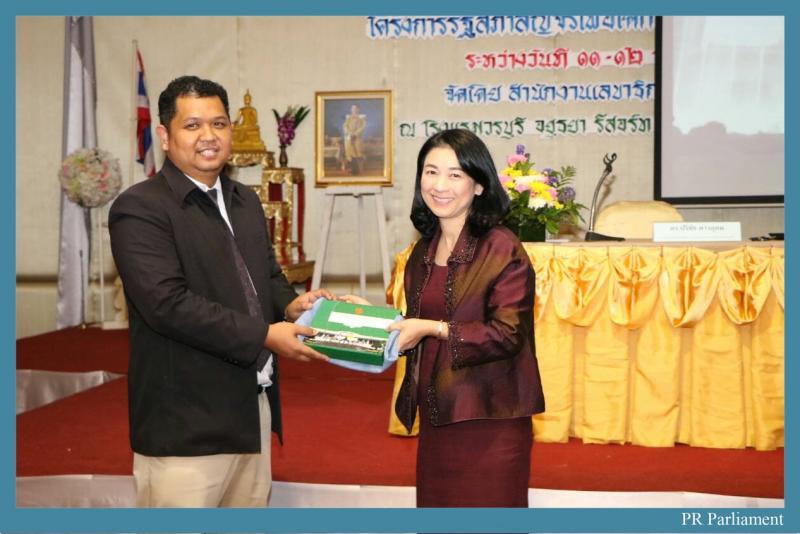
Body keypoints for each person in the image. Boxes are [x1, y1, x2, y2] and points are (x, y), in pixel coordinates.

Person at [109, 75, 331, 508]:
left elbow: (265, 275)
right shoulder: (140, 208)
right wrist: (265, 335)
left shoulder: (244, 199)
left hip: (252, 410)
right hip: (185, 426)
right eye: (192, 125)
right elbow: (167, 305)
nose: (208, 136)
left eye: (219, 124)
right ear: (164, 136)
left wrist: (291, 304)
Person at [390, 129, 545, 507]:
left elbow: (508, 334)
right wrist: (362, 316)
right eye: (431, 172)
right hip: (438, 412)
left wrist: (435, 329)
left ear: (479, 185)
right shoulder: (422, 251)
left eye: (455, 175)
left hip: (490, 416)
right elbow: (416, 322)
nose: (439, 185)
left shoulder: (502, 248)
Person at [342, 104, 365, 174]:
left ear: (358, 109)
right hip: (349, 138)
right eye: (352, 108)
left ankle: (358, 170)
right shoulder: (348, 118)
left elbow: (362, 128)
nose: (353, 110)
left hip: (357, 138)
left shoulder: (361, 119)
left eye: (355, 108)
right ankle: (352, 169)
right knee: (350, 154)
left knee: (357, 153)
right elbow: (345, 126)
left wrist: (355, 134)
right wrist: (350, 133)